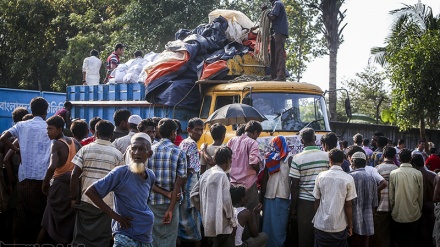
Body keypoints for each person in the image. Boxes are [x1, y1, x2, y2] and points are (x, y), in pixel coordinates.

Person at [85, 134, 156, 247]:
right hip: (125, 235)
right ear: (130, 151)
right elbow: (91, 191)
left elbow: (144, 202)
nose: (137, 152)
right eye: (134, 148)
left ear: (149, 153)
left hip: (145, 236)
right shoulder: (121, 173)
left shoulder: (150, 175)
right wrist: (114, 215)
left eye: (141, 149)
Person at [0, 97, 51, 244]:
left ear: (32, 110)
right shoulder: (49, 127)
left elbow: (3, 137)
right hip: (44, 178)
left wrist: (17, 150)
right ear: (46, 111)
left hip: (25, 177)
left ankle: (19, 242)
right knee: (41, 215)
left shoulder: (22, 125)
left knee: (22, 215)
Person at [70, 120, 124, 247]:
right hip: (106, 205)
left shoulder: (85, 149)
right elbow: (120, 182)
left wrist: (73, 198)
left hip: (86, 201)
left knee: (81, 238)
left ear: (96, 133)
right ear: (112, 135)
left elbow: (74, 176)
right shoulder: (118, 154)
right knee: (102, 240)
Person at [37, 115, 80, 245]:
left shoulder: (56, 144)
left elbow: (52, 166)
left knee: (47, 220)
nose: (48, 132)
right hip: (73, 186)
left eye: (50, 129)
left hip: (59, 186)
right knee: (67, 223)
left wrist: (45, 184)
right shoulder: (75, 142)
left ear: (60, 129)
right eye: (47, 129)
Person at [147, 118, 187, 246]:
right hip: (171, 203)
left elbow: (145, 180)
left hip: (151, 202)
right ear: (173, 133)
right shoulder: (179, 152)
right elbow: (178, 183)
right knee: (169, 239)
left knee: (152, 238)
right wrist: (170, 209)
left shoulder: (149, 150)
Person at [289, 128, 329, 247]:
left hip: (305, 203)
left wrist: (293, 208)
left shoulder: (297, 158)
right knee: (323, 235)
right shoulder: (327, 156)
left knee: (305, 237)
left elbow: (294, 185)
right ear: (315, 139)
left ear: (302, 141)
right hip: (324, 201)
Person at [190, 146, 236, 247]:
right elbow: (226, 202)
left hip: (208, 222)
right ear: (228, 160)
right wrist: (233, 222)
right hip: (222, 224)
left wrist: (204, 209)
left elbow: (193, 194)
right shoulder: (222, 175)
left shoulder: (207, 173)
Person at [313, 148, 357, 247]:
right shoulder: (348, 178)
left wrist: (316, 217)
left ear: (330, 160)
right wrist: (350, 226)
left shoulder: (321, 176)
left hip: (321, 225)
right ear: (342, 161)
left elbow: (316, 200)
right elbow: (348, 205)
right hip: (339, 226)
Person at [227, 120, 263, 237]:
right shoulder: (252, 143)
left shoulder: (232, 140)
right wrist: (258, 170)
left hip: (233, 183)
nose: (257, 137)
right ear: (255, 132)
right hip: (248, 183)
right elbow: (253, 161)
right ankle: (248, 239)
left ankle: (235, 239)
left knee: (234, 214)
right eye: (258, 134)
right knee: (252, 213)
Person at [178, 118, 204, 246]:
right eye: (196, 130)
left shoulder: (184, 142)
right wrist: (183, 186)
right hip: (189, 185)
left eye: (201, 130)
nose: (199, 132)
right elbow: (189, 169)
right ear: (189, 130)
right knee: (193, 217)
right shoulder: (192, 144)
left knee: (182, 218)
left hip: (185, 184)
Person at [389, 149, 423, 247]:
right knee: (411, 240)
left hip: (398, 213)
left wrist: (393, 209)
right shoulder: (417, 174)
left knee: (398, 240)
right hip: (414, 213)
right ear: (410, 159)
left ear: (399, 159)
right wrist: (419, 210)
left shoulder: (394, 173)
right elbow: (420, 196)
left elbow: (391, 197)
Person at [261, 136, 290, 247]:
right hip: (269, 196)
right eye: (274, 144)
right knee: (268, 227)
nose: (274, 146)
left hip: (282, 196)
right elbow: (264, 179)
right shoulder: (269, 158)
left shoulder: (289, 159)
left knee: (279, 229)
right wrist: (262, 197)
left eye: (276, 144)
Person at [348, 152, 378, 247]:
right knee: (365, 241)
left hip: (352, 218)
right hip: (368, 216)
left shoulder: (350, 177)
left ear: (353, 163)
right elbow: (374, 203)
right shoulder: (371, 178)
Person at [371, 146, 399, 247]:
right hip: (395, 208)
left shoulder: (377, 169)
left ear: (383, 156)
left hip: (380, 207)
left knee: (380, 235)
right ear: (394, 156)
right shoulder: (398, 170)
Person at [412, 154, 436, 247]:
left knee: (421, 230)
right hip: (432, 205)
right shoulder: (432, 175)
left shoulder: (414, 176)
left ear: (413, 164)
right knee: (431, 228)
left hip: (419, 205)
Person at [266, 0, 288, 81]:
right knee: (273, 55)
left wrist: (265, 11)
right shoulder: (275, 5)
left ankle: (281, 76)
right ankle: (274, 76)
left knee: (279, 53)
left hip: (279, 32)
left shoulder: (277, 3)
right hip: (275, 32)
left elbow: (273, 17)